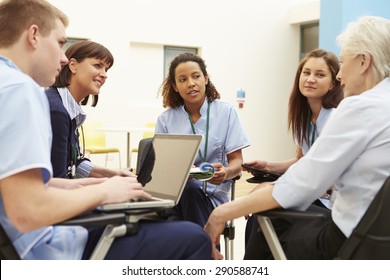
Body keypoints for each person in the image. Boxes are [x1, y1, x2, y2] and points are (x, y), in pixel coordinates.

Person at [0, 0, 211, 260]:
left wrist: (97, 183)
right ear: (33, 36)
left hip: (24, 239)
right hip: (46, 247)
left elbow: (25, 185)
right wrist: (104, 192)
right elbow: (28, 209)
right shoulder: (20, 90)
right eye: (59, 43)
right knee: (194, 237)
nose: (64, 57)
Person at [204, 15, 390, 260]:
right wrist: (271, 171)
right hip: (379, 241)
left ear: (364, 61)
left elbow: (302, 186)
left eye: (343, 62)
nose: (340, 75)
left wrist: (222, 213)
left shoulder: (358, 108)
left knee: (265, 217)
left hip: (351, 241)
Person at [242, 48, 344, 245]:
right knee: (258, 219)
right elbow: (301, 161)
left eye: (320, 75)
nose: (310, 79)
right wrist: (268, 167)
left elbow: (327, 174)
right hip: (310, 193)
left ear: (333, 83)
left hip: (329, 202)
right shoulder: (303, 118)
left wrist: (271, 187)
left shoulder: (335, 118)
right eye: (306, 73)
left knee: (265, 214)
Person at [155, 52, 250, 227]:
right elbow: (160, 168)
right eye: (182, 80)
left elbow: (237, 163)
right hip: (176, 197)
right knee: (183, 194)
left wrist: (226, 173)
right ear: (175, 86)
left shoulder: (225, 112)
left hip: (212, 199)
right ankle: (206, 248)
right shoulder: (165, 120)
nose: (191, 83)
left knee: (177, 215)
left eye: (196, 76)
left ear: (205, 79)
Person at [45, 40, 132, 179]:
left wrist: (113, 174)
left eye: (106, 69)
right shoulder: (56, 112)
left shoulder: (67, 108)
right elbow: (58, 180)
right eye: (98, 65)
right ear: (73, 65)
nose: (104, 74)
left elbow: (74, 162)